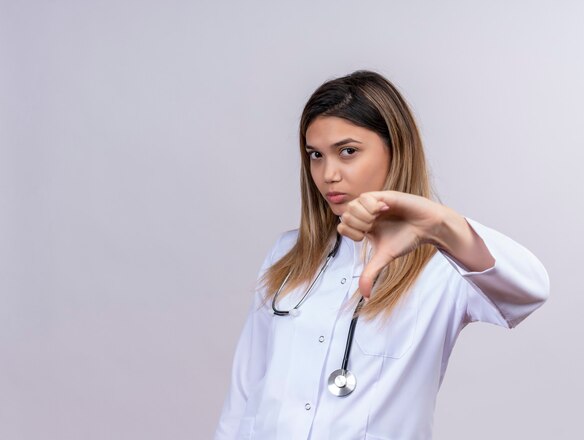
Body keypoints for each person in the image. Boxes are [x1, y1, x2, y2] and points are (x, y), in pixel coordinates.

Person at [213, 70, 549, 440]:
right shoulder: (288, 254)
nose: (328, 174)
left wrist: (439, 223)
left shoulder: (447, 263)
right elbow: (245, 394)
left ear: (396, 149)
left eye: (348, 151)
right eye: (316, 155)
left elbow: (530, 290)